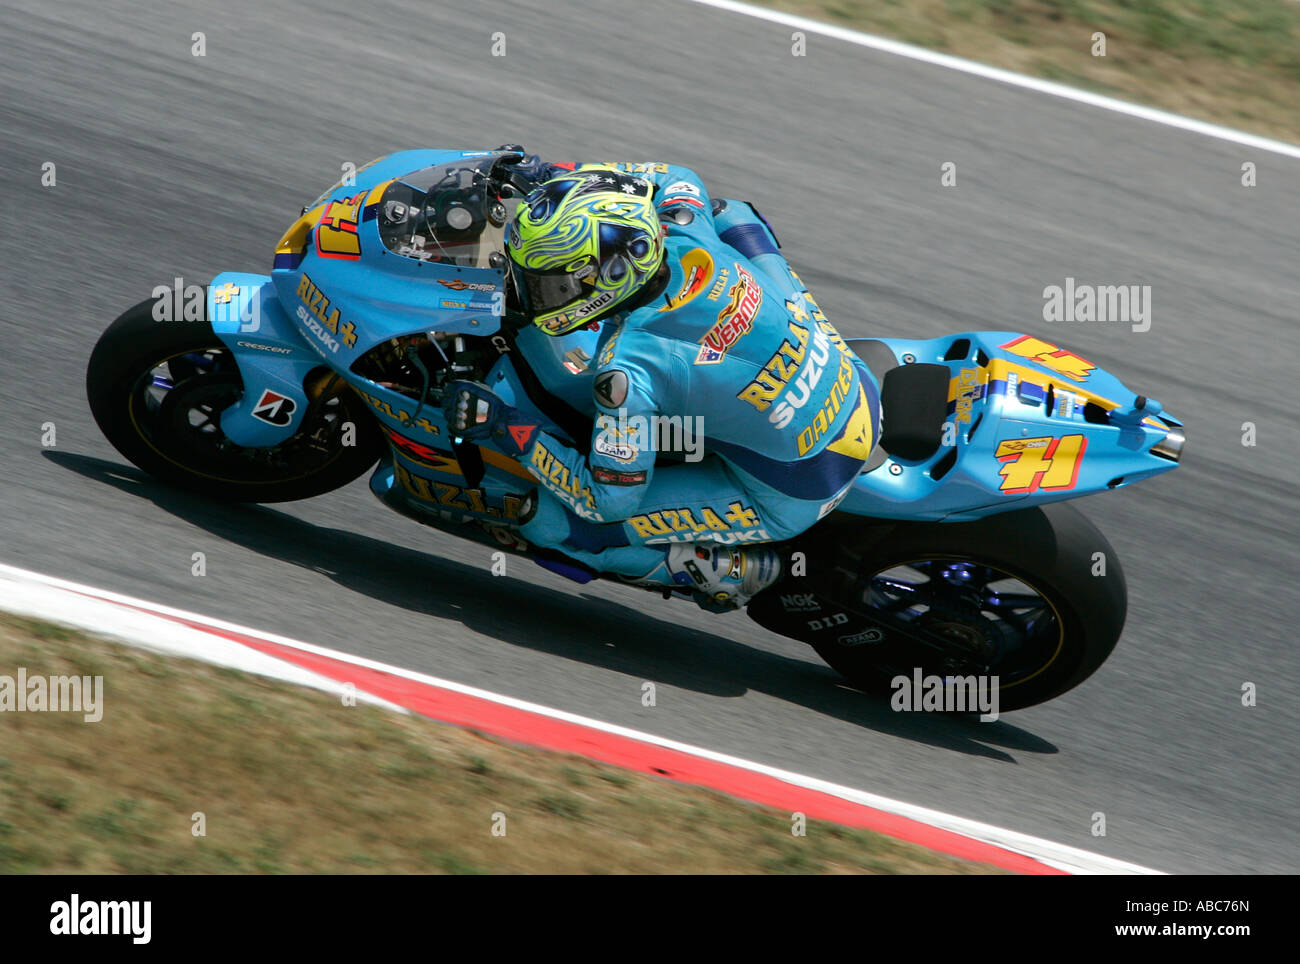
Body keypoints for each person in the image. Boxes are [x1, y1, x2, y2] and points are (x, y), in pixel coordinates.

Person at [444, 155, 880, 611]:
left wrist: (510, 430)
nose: (530, 292)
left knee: (556, 525)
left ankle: (726, 570)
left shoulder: (627, 373)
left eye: (550, 285)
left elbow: (605, 501)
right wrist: (559, 176)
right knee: (730, 214)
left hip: (803, 483)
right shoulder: (684, 226)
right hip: (853, 384)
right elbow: (676, 175)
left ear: (612, 276)